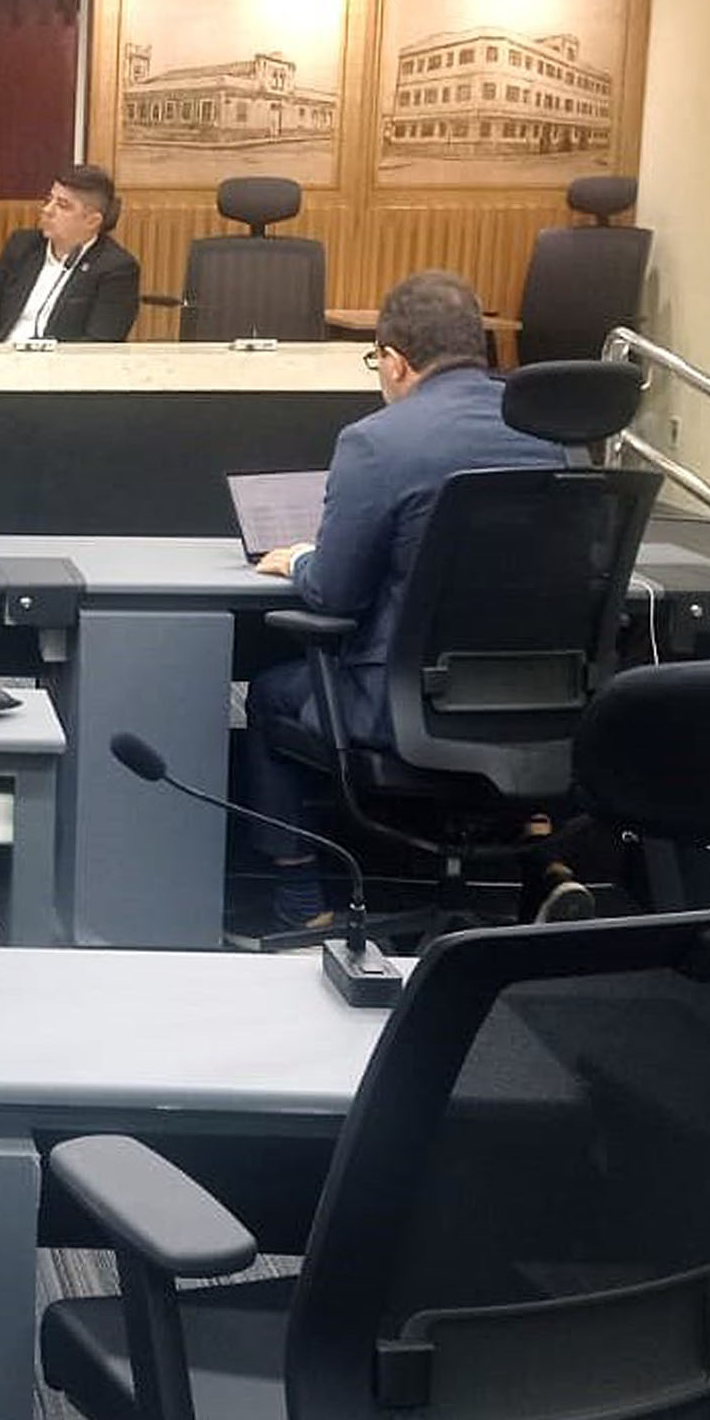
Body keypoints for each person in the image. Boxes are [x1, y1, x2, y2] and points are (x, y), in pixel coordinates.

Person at [231, 269, 565, 933]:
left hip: (404, 708)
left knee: (270, 696)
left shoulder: (377, 441)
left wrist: (299, 558)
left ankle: (303, 908)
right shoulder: (548, 436)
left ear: (394, 359)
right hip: (538, 701)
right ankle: (544, 870)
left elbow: (334, 592)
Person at [0, 163, 142, 344]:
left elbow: (99, 344)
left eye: (62, 205)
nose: (47, 210)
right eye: (49, 200)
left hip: (59, 363)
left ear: (92, 221)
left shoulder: (116, 268)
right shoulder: (22, 246)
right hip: (0, 356)